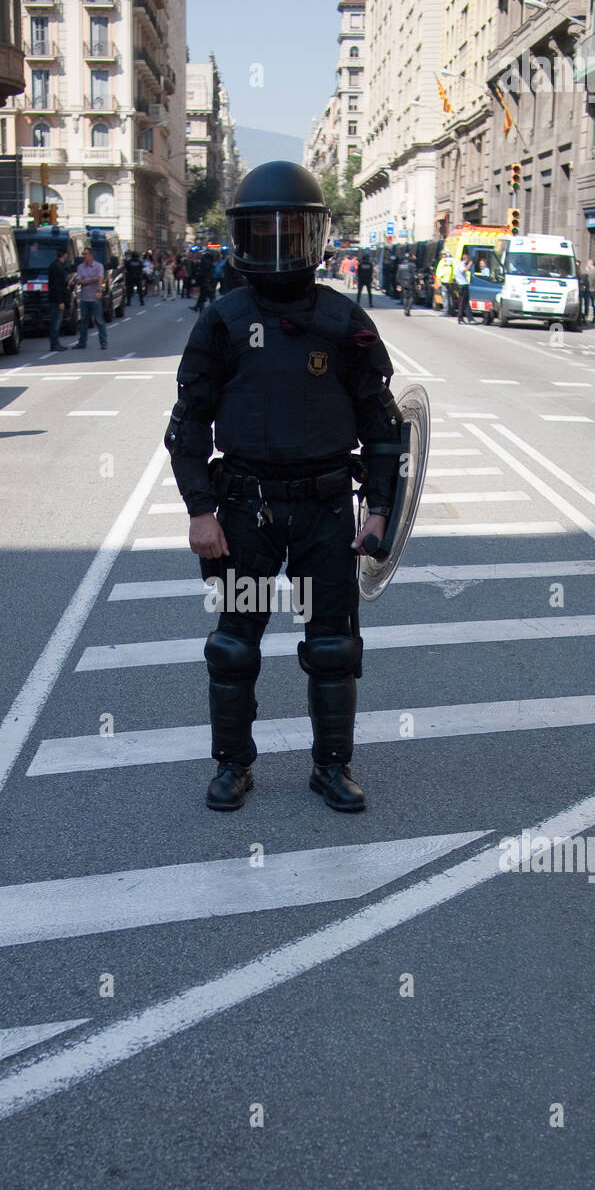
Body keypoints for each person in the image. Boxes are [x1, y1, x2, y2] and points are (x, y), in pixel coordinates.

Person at [164, 160, 403, 814]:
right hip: (246, 512)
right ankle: (232, 766)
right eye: (262, 233)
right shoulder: (223, 320)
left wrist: (380, 509)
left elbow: (383, 425)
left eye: (290, 231)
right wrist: (200, 511)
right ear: (242, 238)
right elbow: (188, 424)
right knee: (234, 647)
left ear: (315, 235)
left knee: (333, 646)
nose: (276, 245)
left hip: (326, 511)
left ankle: (332, 767)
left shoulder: (343, 321)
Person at [73, 246, 108, 350]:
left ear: (91, 255)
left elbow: (99, 279)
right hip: (84, 298)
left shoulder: (98, 266)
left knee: (99, 320)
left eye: (86, 254)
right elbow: (78, 280)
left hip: (95, 297)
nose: (84, 256)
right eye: (83, 254)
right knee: (83, 322)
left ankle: (103, 342)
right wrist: (91, 281)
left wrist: (98, 290)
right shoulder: (80, 267)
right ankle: (82, 342)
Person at [47, 245, 72, 351]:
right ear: (65, 255)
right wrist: (60, 301)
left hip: (54, 298)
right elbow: (57, 285)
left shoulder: (55, 265)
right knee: (56, 322)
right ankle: (54, 344)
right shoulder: (58, 267)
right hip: (57, 300)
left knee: (55, 321)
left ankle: (55, 343)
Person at [435, 247, 455, 317]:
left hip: (447, 282)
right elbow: (439, 271)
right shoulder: (446, 261)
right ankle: (448, 311)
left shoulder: (448, 261)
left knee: (447, 298)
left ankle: (447, 312)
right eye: (442, 254)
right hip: (446, 282)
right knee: (447, 297)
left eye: (444, 254)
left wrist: (453, 278)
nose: (443, 255)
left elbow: (453, 270)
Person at [396, 249, 416, 316]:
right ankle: (408, 309)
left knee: (404, 297)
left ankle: (405, 309)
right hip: (410, 282)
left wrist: (398, 283)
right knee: (411, 296)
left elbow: (398, 275)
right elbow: (414, 275)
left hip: (402, 282)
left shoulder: (401, 265)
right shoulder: (412, 265)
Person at [456, 253, 473, 323]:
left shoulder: (462, 265)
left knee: (466, 303)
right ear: (465, 259)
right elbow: (465, 270)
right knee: (462, 303)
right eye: (468, 260)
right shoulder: (461, 265)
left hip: (464, 285)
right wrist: (470, 263)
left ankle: (470, 318)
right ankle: (460, 318)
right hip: (462, 286)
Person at [583, 257, 595, 326]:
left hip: (588, 289)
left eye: (588, 263)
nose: (587, 264)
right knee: (594, 305)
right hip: (594, 290)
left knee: (586, 304)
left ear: (591, 264)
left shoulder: (588, 272)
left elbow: (585, 279)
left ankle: (585, 317)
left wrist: (586, 270)